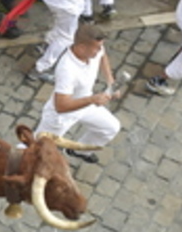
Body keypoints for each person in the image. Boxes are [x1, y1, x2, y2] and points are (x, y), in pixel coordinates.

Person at [34, 24, 121, 163]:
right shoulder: (67, 69)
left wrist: (110, 81)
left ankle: (78, 151)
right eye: (96, 48)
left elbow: (103, 56)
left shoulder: (95, 50)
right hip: (61, 117)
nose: (99, 50)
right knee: (37, 149)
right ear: (81, 48)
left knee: (110, 128)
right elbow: (61, 106)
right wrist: (92, 99)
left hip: (85, 105)